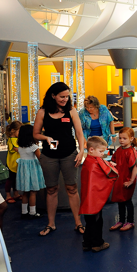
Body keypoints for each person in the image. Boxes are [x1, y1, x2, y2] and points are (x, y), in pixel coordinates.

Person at [33, 82, 85, 236]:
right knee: (51, 190)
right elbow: (35, 134)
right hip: (49, 156)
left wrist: (81, 151)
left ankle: (78, 223)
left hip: (69, 154)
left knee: (72, 188)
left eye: (67, 96)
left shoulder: (71, 111)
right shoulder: (42, 112)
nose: (65, 99)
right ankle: (51, 224)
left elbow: (79, 133)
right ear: (53, 95)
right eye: (62, 96)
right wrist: (46, 137)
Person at [80, 137, 118, 252]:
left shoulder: (89, 161)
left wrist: (108, 163)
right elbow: (109, 175)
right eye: (101, 151)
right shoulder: (95, 163)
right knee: (97, 221)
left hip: (87, 198)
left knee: (89, 221)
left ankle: (87, 243)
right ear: (91, 149)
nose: (103, 154)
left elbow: (102, 166)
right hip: (95, 199)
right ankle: (97, 243)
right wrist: (111, 166)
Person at [109, 128, 137, 232]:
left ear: (131, 139)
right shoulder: (119, 149)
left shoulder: (131, 152)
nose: (121, 140)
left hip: (127, 180)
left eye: (124, 138)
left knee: (127, 200)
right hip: (120, 179)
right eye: (120, 138)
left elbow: (135, 167)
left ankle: (130, 221)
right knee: (120, 200)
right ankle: (121, 220)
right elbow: (115, 161)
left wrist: (131, 181)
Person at [16, 125, 45, 218]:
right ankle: (32, 212)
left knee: (25, 192)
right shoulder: (34, 147)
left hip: (23, 171)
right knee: (33, 192)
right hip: (32, 171)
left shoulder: (20, 147)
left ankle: (24, 212)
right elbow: (40, 158)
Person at [5, 121, 22, 203]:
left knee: (16, 179)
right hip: (11, 163)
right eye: (19, 131)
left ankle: (16, 194)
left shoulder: (16, 139)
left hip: (16, 163)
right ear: (13, 130)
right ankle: (8, 195)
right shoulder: (12, 140)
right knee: (10, 179)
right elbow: (17, 149)